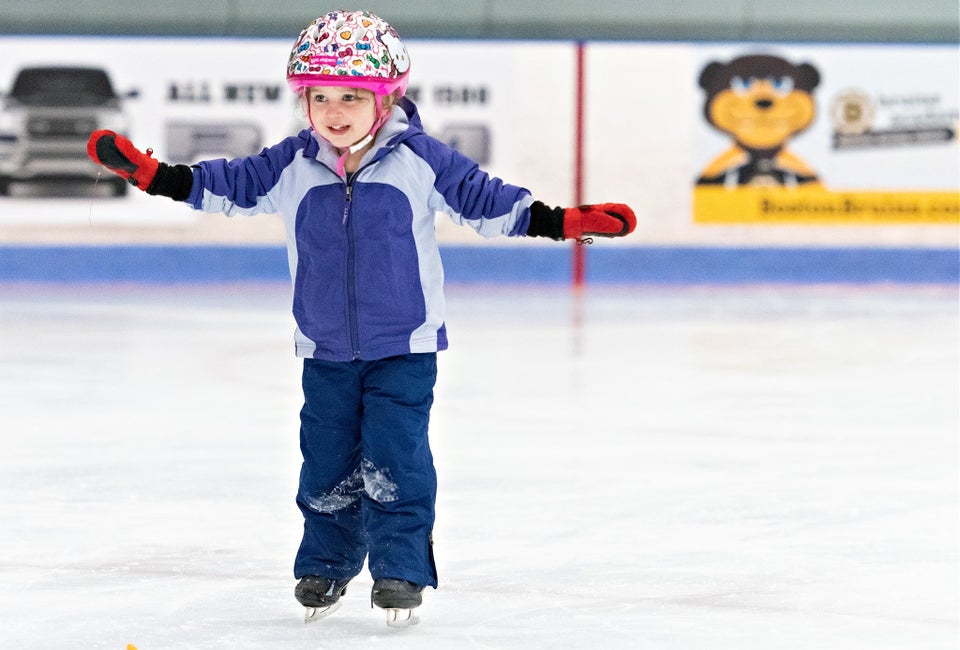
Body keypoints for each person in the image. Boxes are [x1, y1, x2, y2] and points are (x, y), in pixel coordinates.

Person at [86, 9, 636, 626]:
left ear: (386, 98)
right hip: (323, 346)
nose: (335, 111)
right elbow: (224, 185)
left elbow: (489, 203)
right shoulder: (291, 163)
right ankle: (326, 561)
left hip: (404, 342)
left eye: (353, 95)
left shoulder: (421, 159)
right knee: (324, 458)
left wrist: (565, 222)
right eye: (320, 97)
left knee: (396, 455)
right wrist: (151, 173)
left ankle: (400, 568)